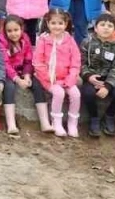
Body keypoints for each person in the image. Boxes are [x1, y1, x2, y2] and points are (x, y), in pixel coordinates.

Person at [32, 8, 83, 138]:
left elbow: (75, 61)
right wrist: (49, 78)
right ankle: (56, 122)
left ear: (66, 24)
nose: (57, 26)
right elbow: (38, 62)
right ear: (48, 23)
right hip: (50, 78)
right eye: (53, 23)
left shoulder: (69, 40)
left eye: (60, 23)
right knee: (59, 93)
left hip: (67, 78)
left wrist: (71, 78)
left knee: (76, 94)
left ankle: (72, 123)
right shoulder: (43, 40)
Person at [79, 13, 115, 138]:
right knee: (88, 94)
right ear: (95, 28)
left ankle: (109, 116)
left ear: (114, 30)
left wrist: (108, 86)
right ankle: (94, 118)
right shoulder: (87, 42)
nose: (106, 28)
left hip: (109, 78)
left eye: (110, 26)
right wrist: (88, 76)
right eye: (102, 25)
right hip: (91, 76)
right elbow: (81, 62)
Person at [0, 15, 33, 137]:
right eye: (9, 31)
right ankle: (11, 123)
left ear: (22, 29)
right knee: (9, 87)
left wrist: (27, 75)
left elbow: (28, 60)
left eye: (16, 30)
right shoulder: (1, 42)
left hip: (22, 71)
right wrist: (17, 79)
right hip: (7, 72)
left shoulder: (25, 39)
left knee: (37, 84)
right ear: (4, 31)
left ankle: (45, 122)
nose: (13, 34)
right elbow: (5, 64)